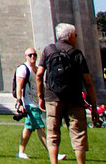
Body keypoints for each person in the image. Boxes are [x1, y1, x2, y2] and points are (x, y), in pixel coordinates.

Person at [39, 21, 96, 164]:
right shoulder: (76, 53)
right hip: (74, 98)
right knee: (78, 134)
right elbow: (88, 82)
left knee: (52, 133)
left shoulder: (48, 50)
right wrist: (94, 105)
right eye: (75, 35)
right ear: (70, 36)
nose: (76, 37)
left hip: (52, 98)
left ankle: (54, 162)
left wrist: (41, 96)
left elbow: (39, 75)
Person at [14, 46, 47, 160]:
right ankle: (53, 153)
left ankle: (20, 152)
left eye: (34, 55)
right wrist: (19, 102)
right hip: (28, 103)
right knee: (40, 127)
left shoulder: (37, 69)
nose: (33, 57)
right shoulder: (23, 69)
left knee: (28, 128)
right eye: (30, 55)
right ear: (26, 56)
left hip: (36, 103)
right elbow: (19, 86)